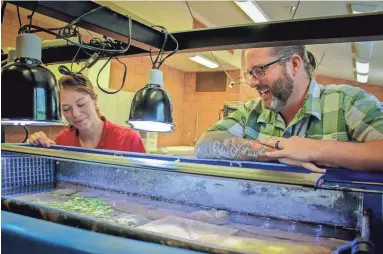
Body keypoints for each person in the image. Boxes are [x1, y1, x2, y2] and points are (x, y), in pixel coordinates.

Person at [195, 45, 383, 173]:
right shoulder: (251, 111)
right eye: (249, 74)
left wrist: (313, 149)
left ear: (294, 64)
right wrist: (277, 151)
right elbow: (205, 144)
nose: (252, 83)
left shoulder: (347, 102)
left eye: (259, 70)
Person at [28, 72, 146, 153]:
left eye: (81, 104)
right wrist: (39, 147)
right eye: (66, 109)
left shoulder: (128, 139)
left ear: (94, 99)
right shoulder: (63, 140)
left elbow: (146, 183)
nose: (75, 114)